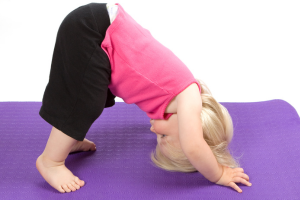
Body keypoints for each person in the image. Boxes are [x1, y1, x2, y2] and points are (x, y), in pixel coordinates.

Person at [36, 2, 252, 194]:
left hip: (97, 30)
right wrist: (218, 174)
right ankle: (51, 161)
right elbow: (194, 146)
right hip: (94, 30)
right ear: (195, 127)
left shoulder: (173, 97)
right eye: (164, 136)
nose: (153, 131)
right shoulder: (189, 96)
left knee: (90, 94)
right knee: (85, 103)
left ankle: (69, 139)